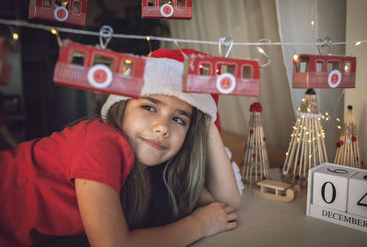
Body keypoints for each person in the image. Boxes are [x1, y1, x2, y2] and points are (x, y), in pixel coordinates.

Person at [0, 48, 241, 247]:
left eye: (179, 119)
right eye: (149, 107)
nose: (162, 127)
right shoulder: (101, 140)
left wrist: (206, 118)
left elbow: (225, 205)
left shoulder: (153, 166)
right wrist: (198, 226)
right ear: (122, 107)